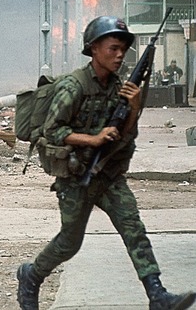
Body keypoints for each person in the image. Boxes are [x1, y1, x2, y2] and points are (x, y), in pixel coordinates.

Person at [16, 16, 196, 310]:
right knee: (69, 243)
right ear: (94, 49)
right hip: (75, 175)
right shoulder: (73, 87)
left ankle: (157, 296)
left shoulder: (119, 89)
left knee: (133, 228)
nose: (119, 55)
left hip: (107, 175)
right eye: (113, 48)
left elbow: (124, 137)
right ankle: (31, 276)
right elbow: (53, 131)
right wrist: (93, 139)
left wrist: (134, 110)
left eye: (123, 49)